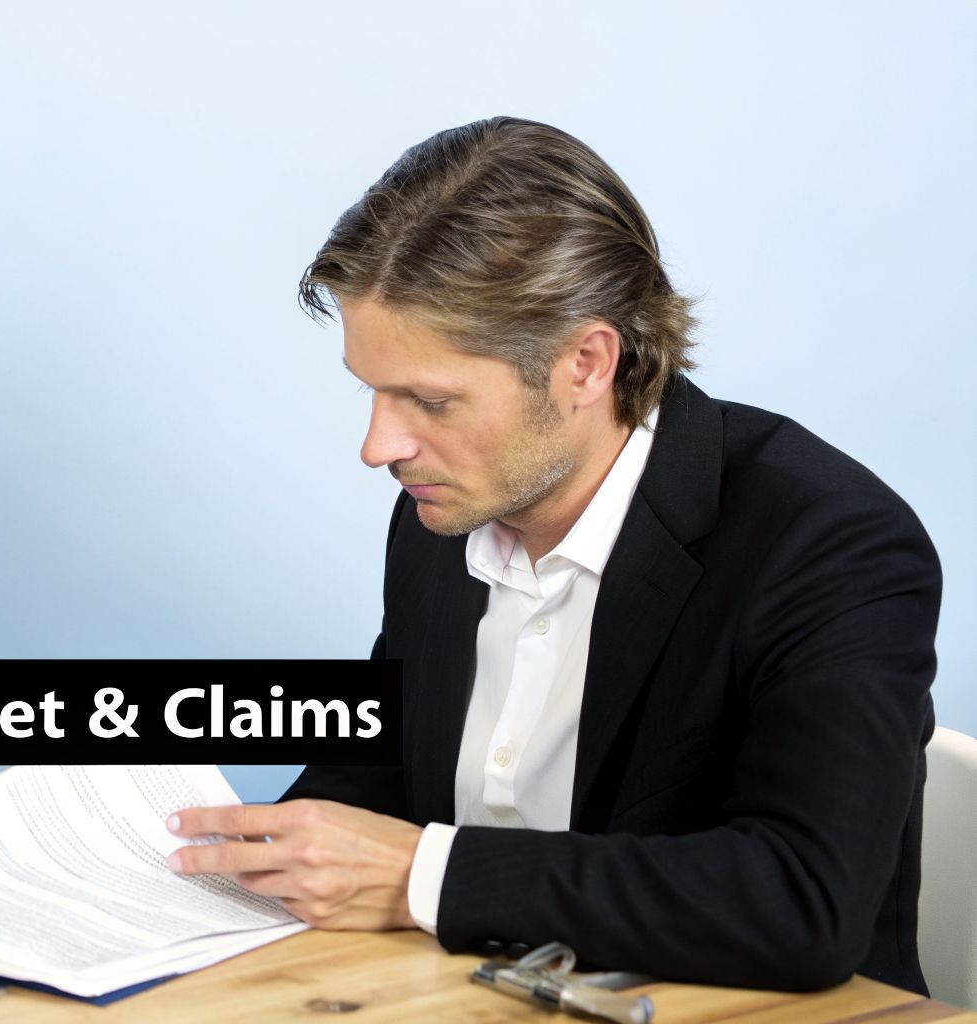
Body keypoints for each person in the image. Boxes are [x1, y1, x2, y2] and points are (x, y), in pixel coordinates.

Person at [167, 117, 940, 994]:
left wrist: (430, 875)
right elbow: (379, 771)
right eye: (372, 392)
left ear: (585, 364)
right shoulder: (444, 509)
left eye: (429, 400)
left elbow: (803, 902)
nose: (379, 446)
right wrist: (220, 864)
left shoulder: (830, 543)